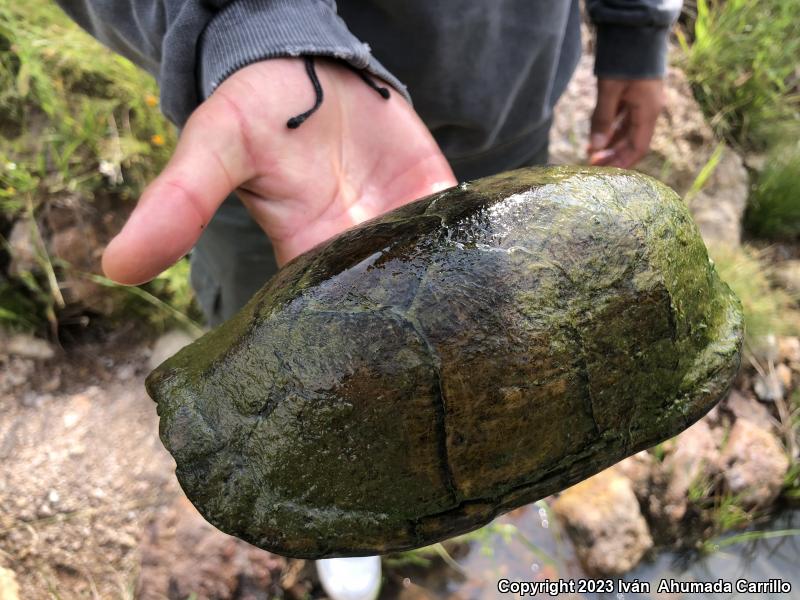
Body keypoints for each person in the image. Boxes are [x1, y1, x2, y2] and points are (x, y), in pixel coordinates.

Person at [54, 1, 682, 598]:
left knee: (501, 350)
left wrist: (636, 28)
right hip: (294, 152)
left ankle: (476, 471)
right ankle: (345, 527)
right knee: (311, 366)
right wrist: (255, 27)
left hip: (510, 113)